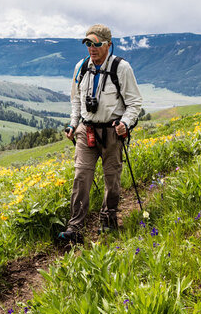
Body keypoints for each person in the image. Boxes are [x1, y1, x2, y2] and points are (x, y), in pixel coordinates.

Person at [57, 24, 143, 244]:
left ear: (108, 45)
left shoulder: (121, 68)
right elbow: (76, 100)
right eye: (88, 44)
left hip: (112, 131)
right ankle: (75, 228)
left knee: (111, 178)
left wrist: (125, 123)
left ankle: (108, 219)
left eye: (96, 44)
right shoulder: (81, 67)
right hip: (86, 131)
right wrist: (73, 124)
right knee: (81, 176)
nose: (91, 48)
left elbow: (134, 102)